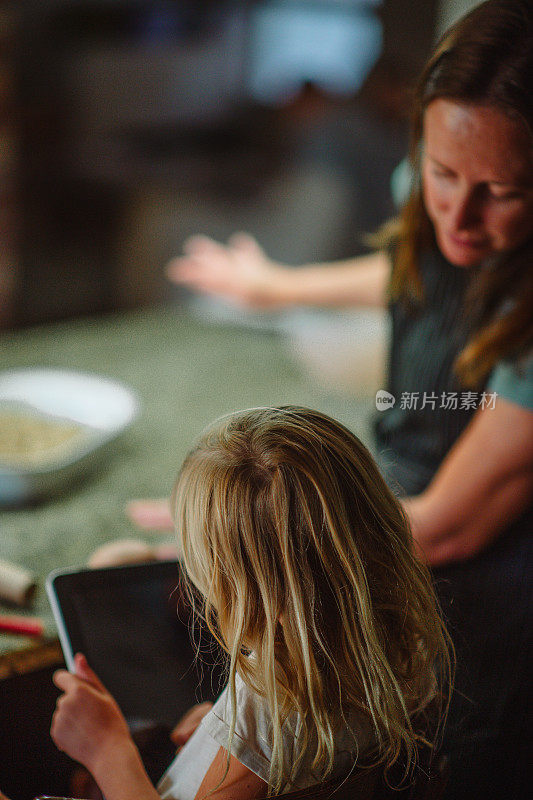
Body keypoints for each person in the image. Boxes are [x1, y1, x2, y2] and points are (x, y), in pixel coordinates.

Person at [127, 2, 533, 797]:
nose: (457, 213)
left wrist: (246, 535)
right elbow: (421, 267)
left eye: (502, 192)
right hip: (396, 519)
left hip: (486, 583)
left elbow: (449, 528)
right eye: (441, 174)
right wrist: (276, 288)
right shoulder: (448, 173)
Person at [42, 407, 450, 800]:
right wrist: (214, 739)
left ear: (233, 585)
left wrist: (108, 751)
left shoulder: (268, 720)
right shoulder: (397, 651)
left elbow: (270, 739)